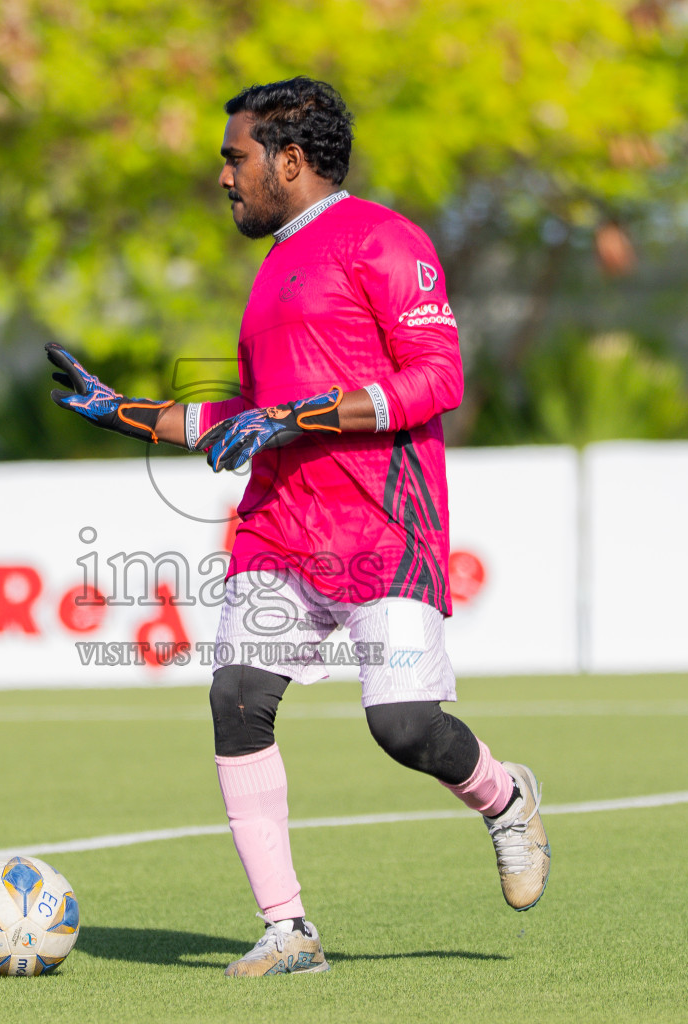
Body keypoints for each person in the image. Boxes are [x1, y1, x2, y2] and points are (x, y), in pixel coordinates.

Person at [47, 76, 548, 978]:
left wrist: (294, 420)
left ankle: (505, 796)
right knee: (236, 700)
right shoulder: (273, 264)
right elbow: (252, 413)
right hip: (279, 527)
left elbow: (438, 380)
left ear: (290, 159)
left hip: (385, 527)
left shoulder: (388, 242)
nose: (225, 177)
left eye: (235, 158)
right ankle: (289, 930)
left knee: (402, 728)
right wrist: (126, 413)